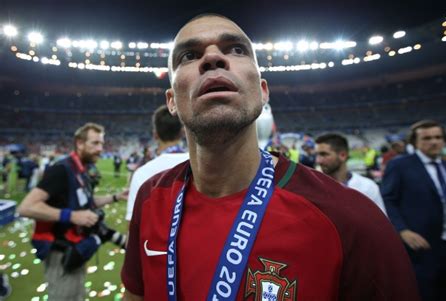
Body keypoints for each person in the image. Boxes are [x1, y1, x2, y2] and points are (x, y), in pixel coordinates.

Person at [122, 14, 419, 301]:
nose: (213, 59)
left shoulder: (350, 218)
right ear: (172, 101)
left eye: (236, 49)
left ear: (263, 92)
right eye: (189, 55)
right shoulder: (151, 198)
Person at [17, 123, 128, 301]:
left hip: (76, 250)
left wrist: (115, 197)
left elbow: (86, 203)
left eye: (101, 144)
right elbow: (26, 207)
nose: (100, 149)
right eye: (95, 143)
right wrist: (72, 216)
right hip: (60, 255)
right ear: (79, 143)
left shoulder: (80, 170)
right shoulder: (61, 170)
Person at [381, 120, 446, 301]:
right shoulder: (400, 165)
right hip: (423, 248)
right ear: (415, 142)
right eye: (427, 138)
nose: (434, 142)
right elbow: (388, 199)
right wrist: (403, 230)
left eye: (438, 137)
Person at [126, 105, 188, 222]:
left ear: (155, 135)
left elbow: (133, 225)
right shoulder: (200, 166)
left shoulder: (142, 173)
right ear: (183, 132)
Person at [315, 133, 387, 215]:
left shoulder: (367, 187)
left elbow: (381, 224)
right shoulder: (314, 188)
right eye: (317, 155)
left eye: (324, 154)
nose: (318, 161)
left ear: (342, 155)